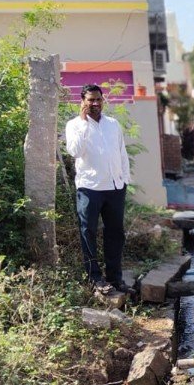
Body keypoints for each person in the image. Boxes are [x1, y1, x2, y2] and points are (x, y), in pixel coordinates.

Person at [64, 84, 130, 296]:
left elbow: (121, 152)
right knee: (88, 232)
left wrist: (124, 179)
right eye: (90, 100)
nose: (95, 103)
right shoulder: (74, 125)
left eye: (98, 99)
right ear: (82, 102)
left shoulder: (113, 124)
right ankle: (95, 278)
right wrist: (84, 123)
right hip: (90, 188)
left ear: (103, 100)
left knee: (115, 234)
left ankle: (115, 278)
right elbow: (75, 151)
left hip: (114, 187)